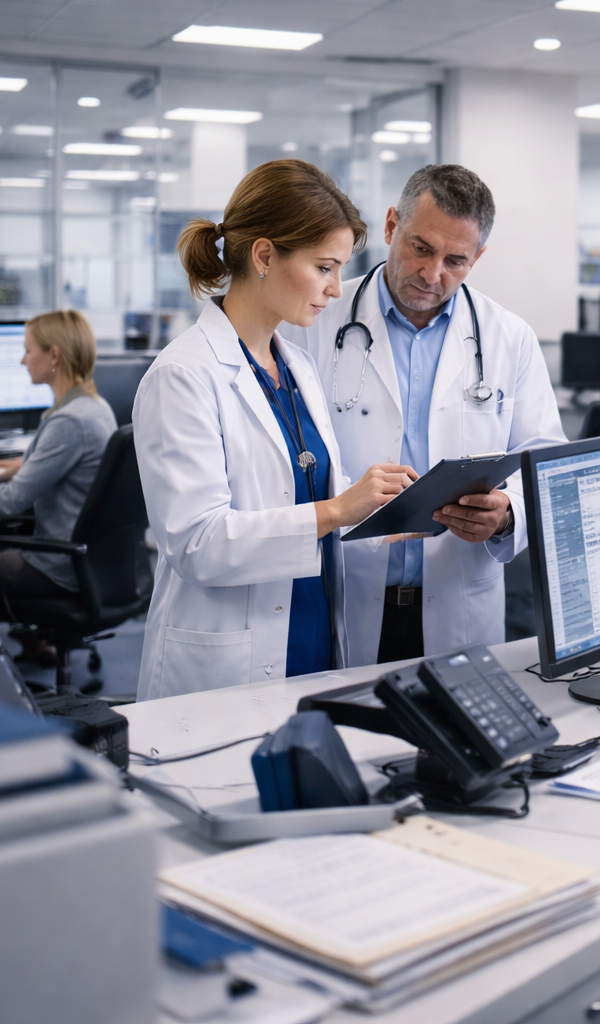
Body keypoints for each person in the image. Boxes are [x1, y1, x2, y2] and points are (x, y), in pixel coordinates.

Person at [132, 159, 415, 701]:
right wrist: (338, 509)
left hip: (312, 642)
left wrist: (382, 512)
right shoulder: (183, 375)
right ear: (264, 256)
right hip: (224, 669)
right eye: (324, 267)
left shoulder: (297, 367)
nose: (336, 289)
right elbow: (196, 543)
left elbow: (302, 496)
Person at [284, 164, 566, 665]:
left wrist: (507, 514)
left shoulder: (510, 338)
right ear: (392, 225)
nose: (433, 274)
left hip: (459, 600)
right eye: (421, 248)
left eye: (455, 261)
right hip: (346, 589)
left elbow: (544, 462)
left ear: (478, 257)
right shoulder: (312, 322)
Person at [0, 311, 117, 638]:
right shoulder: (93, 406)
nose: (22, 360)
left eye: (28, 350)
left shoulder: (69, 421)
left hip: (57, 568)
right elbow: (48, 464)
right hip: (90, 564)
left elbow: (11, 501)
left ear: (53, 356)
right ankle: (35, 642)